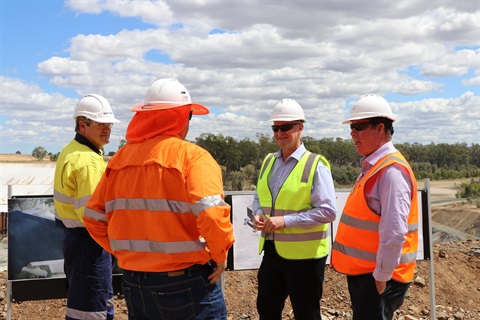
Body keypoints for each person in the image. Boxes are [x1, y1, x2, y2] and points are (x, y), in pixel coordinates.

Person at [83, 78, 235, 320]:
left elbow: (92, 216)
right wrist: (219, 255)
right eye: (189, 116)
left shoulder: (120, 159)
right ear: (182, 117)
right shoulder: (193, 157)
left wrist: (126, 252)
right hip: (185, 282)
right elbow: (211, 213)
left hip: (135, 281)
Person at [331, 94, 418, 320]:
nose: (352, 134)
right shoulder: (375, 166)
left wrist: (382, 275)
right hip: (367, 273)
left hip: (378, 277)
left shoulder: (391, 171)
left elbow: (395, 231)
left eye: (359, 127)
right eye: (352, 127)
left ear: (380, 128)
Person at [252, 98, 337, 320]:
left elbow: (328, 211)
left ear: (300, 127)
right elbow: (258, 195)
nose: (279, 133)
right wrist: (258, 213)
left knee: (306, 314)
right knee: (266, 311)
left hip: (306, 258)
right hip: (272, 251)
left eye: (285, 127)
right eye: (275, 128)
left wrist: (285, 221)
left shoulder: (315, 164)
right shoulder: (269, 161)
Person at [53, 94, 120, 320]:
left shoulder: (72, 150)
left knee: (94, 305)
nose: (107, 129)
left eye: (108, 124)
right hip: (92, 244)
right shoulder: (88, 162)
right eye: (101, 124)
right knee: (90, 312)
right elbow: (95, 216)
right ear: (83, 125)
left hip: (79, 241)